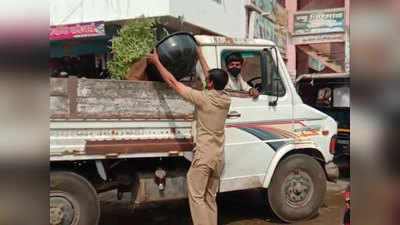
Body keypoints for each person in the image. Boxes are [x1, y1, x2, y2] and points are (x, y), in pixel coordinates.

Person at [147, 48, 231, 225]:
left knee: (197, 196)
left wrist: (156, 62)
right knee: (210, 198)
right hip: (218, 158)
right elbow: (211, 75)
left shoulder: (203, 99)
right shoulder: (225, 98)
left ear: (210, 84)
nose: (205, 79)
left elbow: (172, 82)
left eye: (207, 79)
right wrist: (199, 53)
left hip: (204, 157)